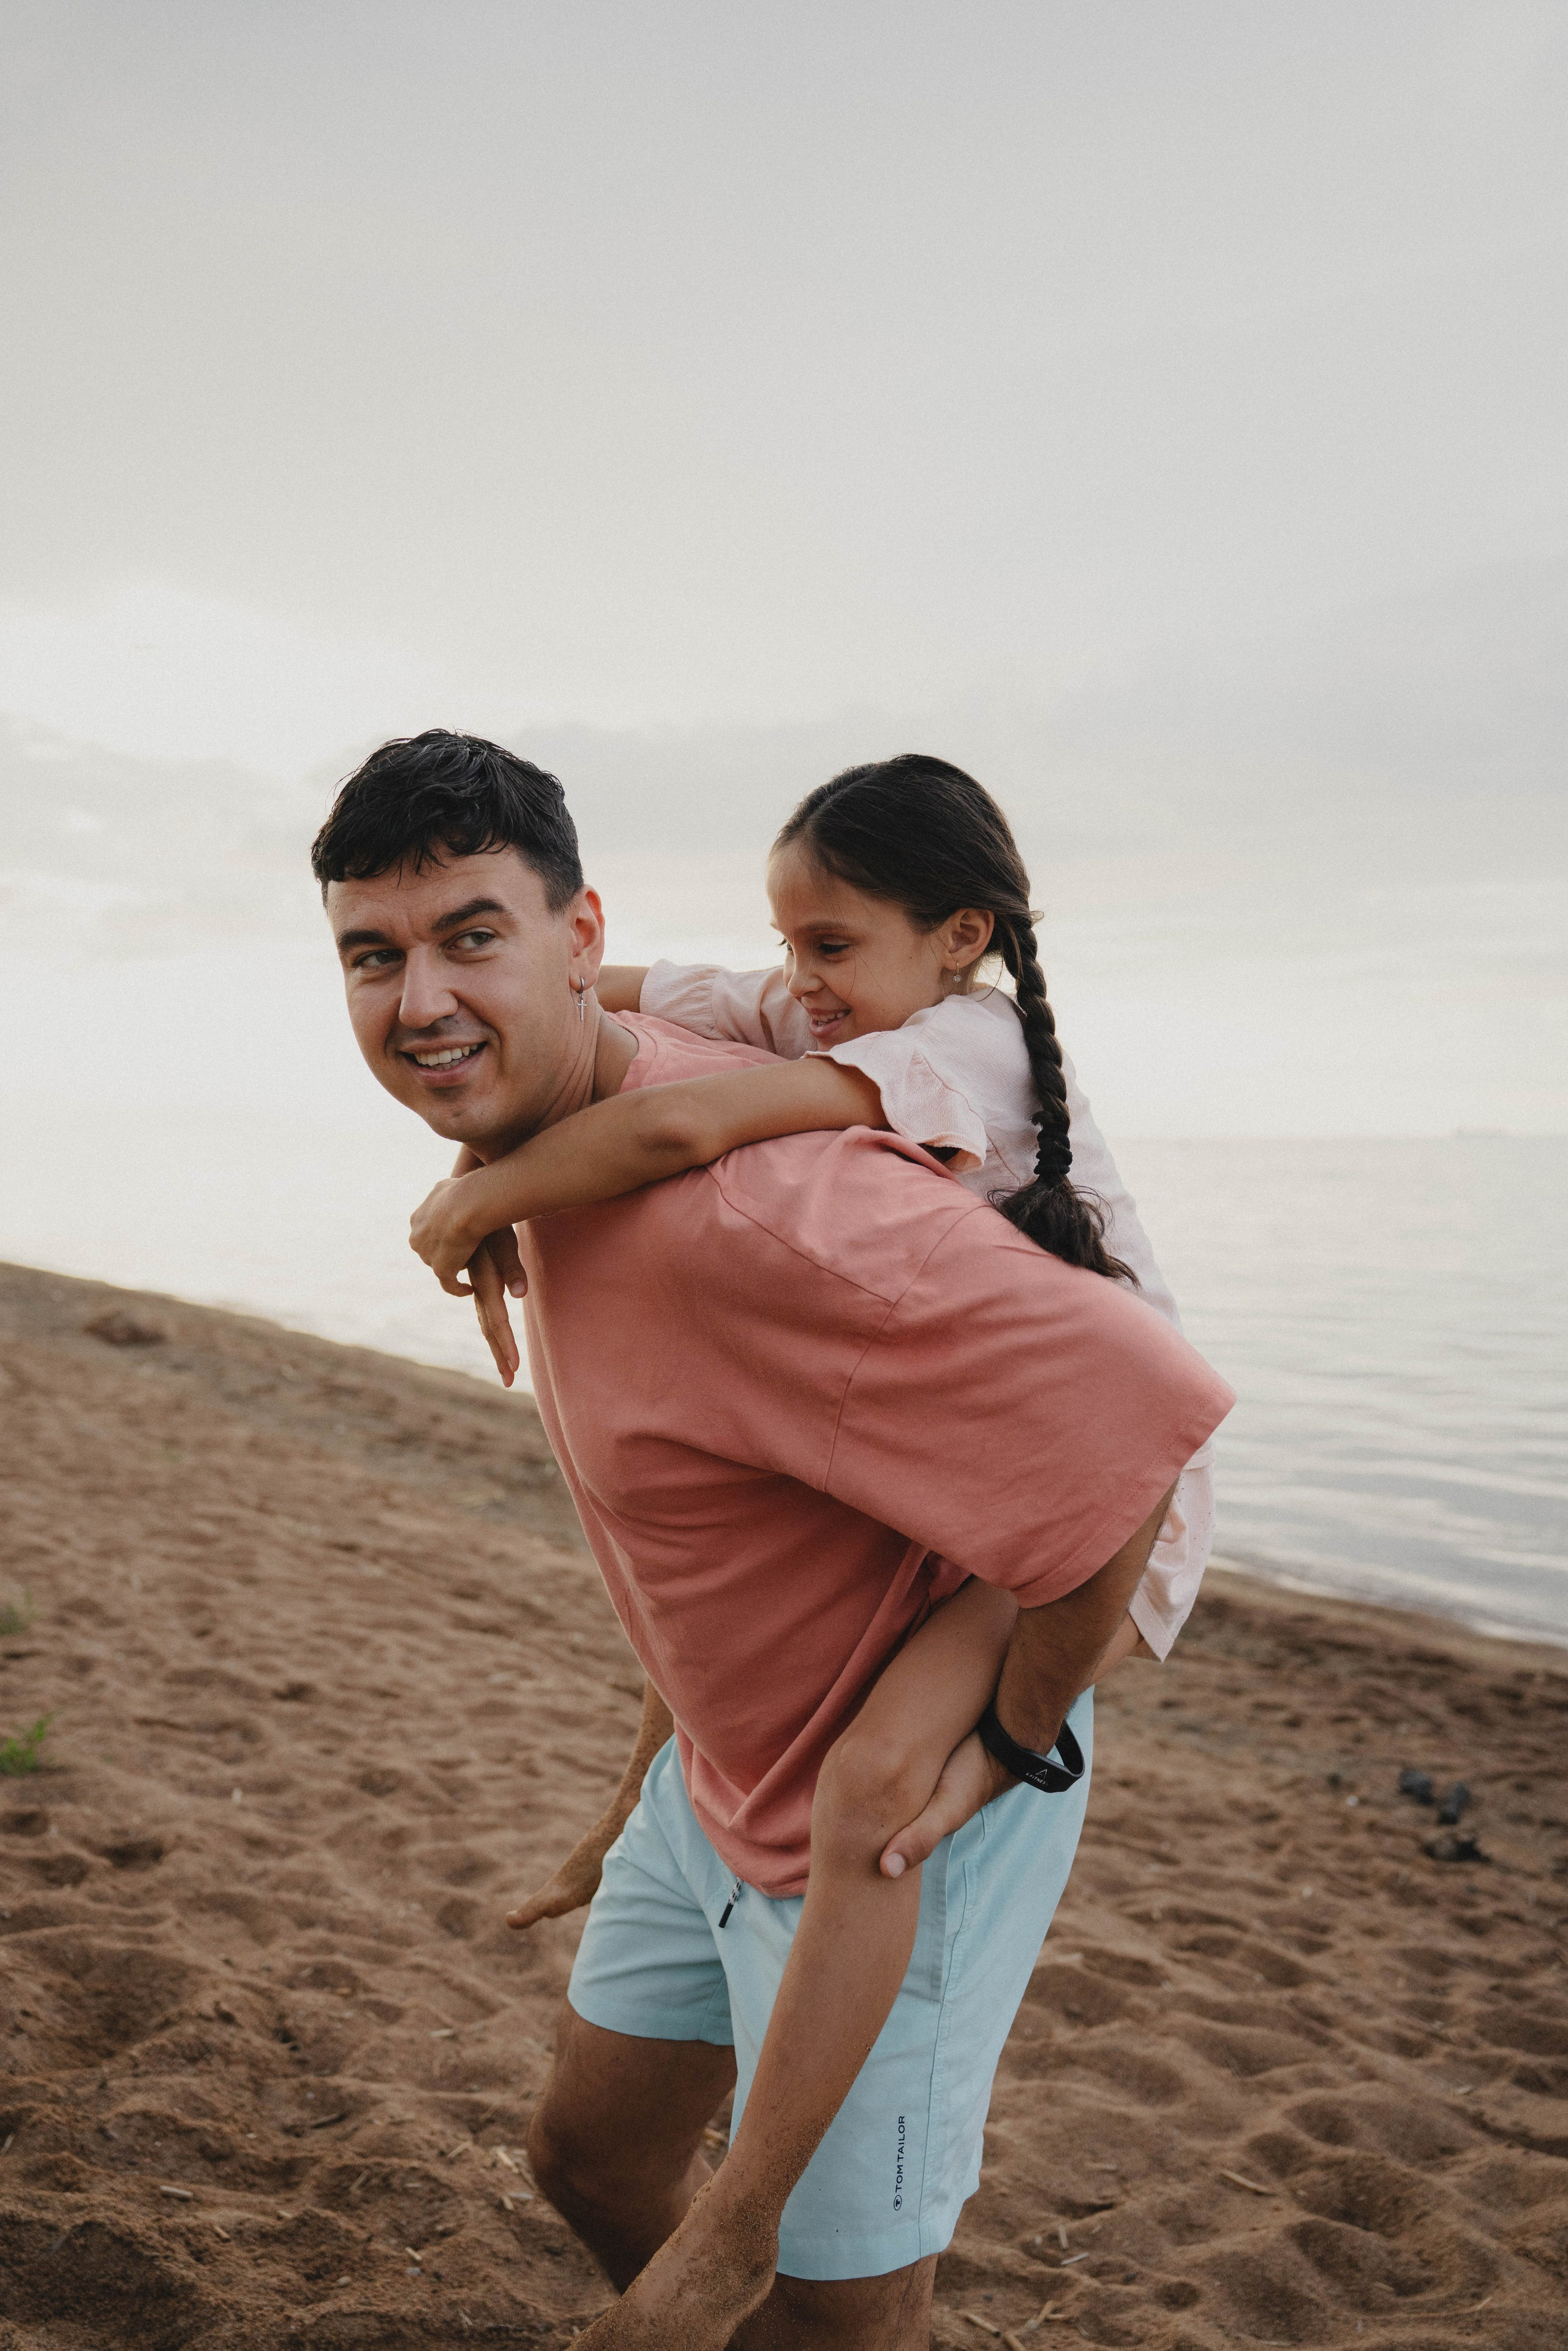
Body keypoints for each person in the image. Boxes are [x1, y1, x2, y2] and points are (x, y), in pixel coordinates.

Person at [312, 730, 1233, 2349]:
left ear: (577, 941)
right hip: (721, 1773)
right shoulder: (625, 1077)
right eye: (373, 957)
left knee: (834, 2312)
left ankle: (739, 2253)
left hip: (909, 1809)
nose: (421, 1003)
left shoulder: (795, 1194)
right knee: (589, 2161)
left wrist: (1013, 1738)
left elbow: (1148, 1406)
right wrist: (644, 1779)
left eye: (473, 937)